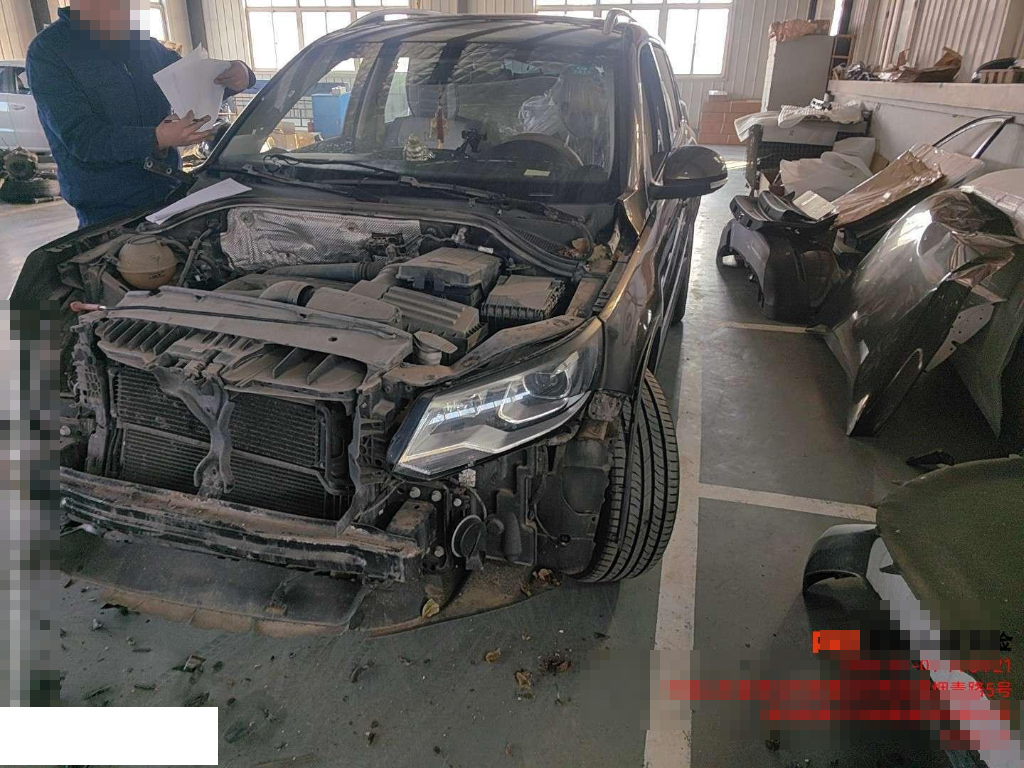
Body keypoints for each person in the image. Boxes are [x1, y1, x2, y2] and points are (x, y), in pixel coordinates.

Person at [25, 0, 255, 227]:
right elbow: (83, 138)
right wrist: (156, 138)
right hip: (109, 211)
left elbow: (192, 81)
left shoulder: (141, 43)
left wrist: (239, 75)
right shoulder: (49, 51)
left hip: (168, 192)